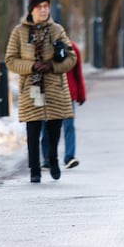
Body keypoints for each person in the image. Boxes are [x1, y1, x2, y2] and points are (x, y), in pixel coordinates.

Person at [5, 0, 76, 183]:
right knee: (33, 129)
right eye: (39, 7)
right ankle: (34, 168)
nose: (43, 10)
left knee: (54, 127)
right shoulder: (19, 32)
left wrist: (53, 66)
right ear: (31, 10)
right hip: (31, 87)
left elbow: (72, 58)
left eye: (46, 6)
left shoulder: (57, 29)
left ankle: (52, 159)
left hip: (54, 87)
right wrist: (31, 66)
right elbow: (10, 60)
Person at [42, 40, 86, 170]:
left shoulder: (71, 48)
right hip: (49, 93)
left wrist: (81, 93)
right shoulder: (44, 48)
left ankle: (69, 157)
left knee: (69, 125)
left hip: (68, 93)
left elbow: (78, 73)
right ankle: (47, 158)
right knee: (46, 128)